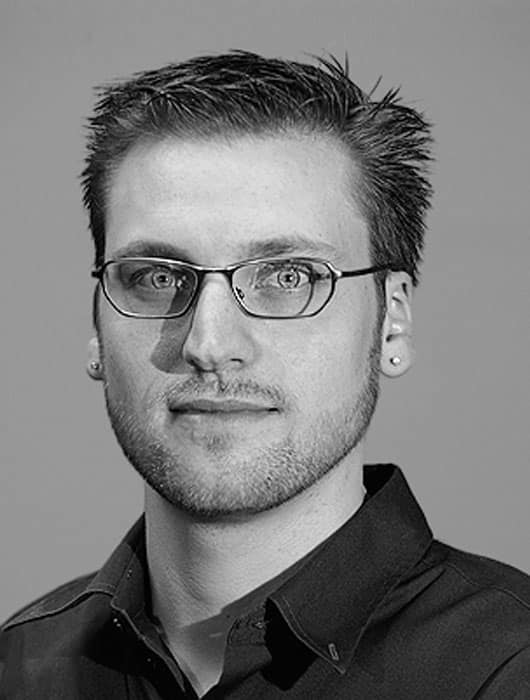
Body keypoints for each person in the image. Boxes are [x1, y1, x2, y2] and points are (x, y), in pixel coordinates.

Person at [1, 50, 529, 699]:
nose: (210, 344)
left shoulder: (510, 669)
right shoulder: (19, 670)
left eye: (288, 276)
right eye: (157, 278)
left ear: (391, 323)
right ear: (96, 327)